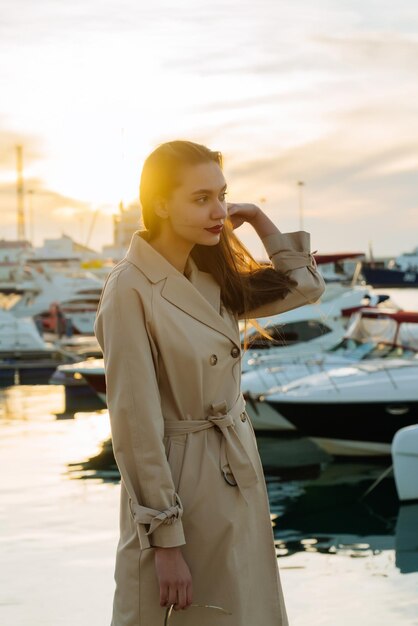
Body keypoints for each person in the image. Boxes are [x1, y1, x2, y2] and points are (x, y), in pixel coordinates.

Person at [94, 140, 326, 626]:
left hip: (237, 473)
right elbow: (136, 426)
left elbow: (305, 286)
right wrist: (165, 541)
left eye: (223, 195)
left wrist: (260, 218)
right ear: (160, 204)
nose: (219, 211)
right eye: (201, 199)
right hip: (180, 485)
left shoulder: (210, 274)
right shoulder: (130, 289)